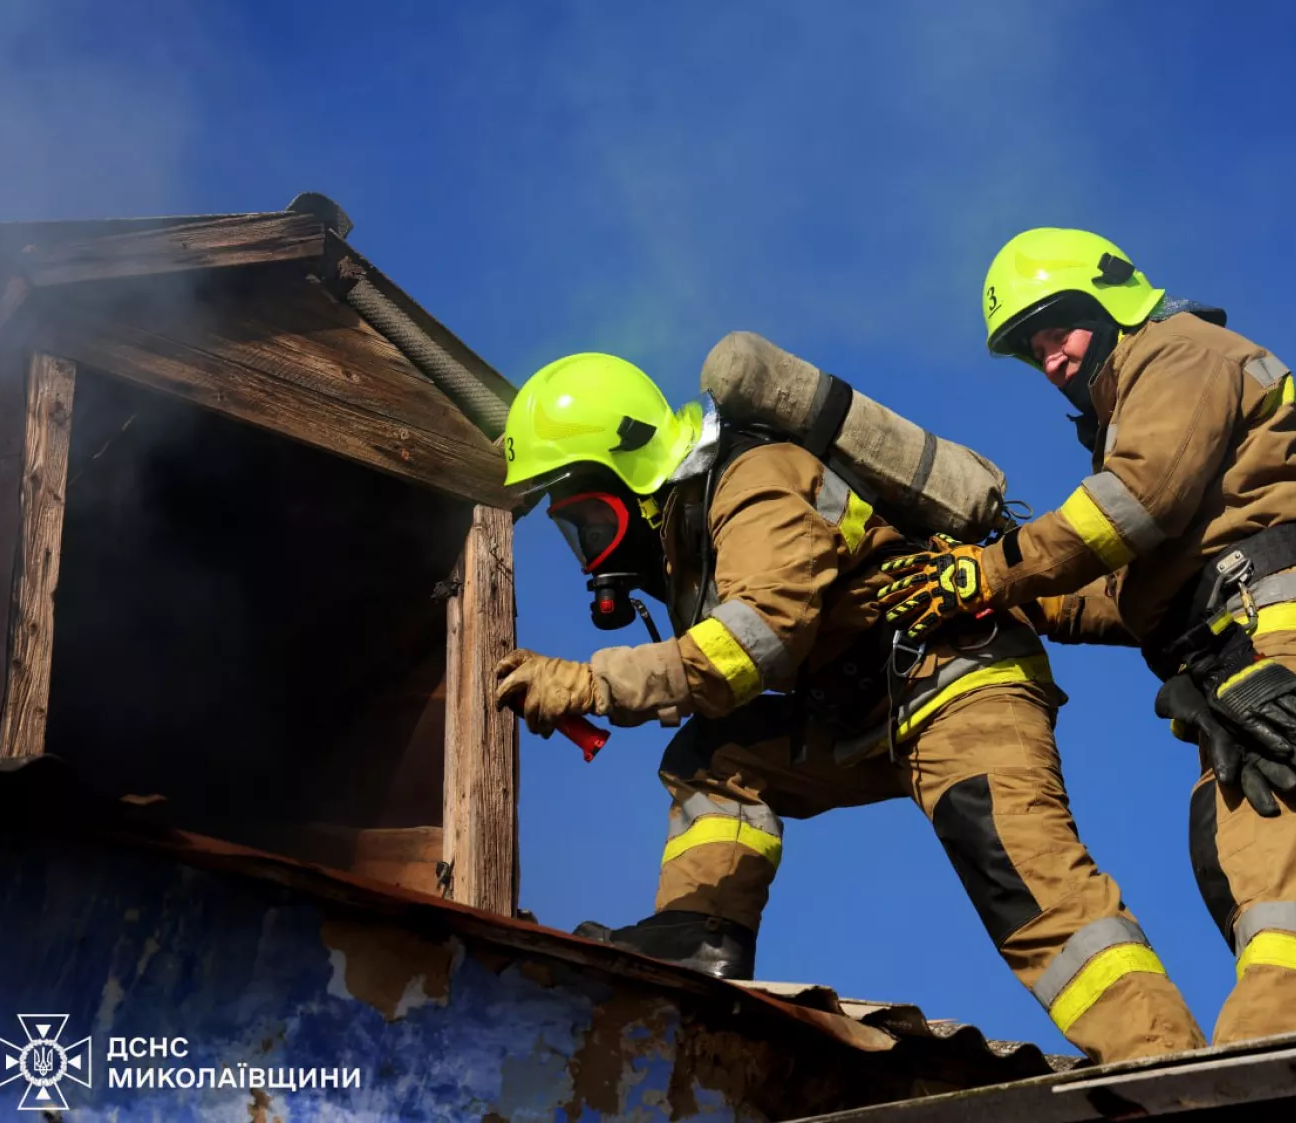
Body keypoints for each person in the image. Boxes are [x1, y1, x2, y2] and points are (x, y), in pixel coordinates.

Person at [492, 350, 1206, 1064]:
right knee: (715, 757)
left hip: (958, 683)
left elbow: (756, 643)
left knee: (1025, 887)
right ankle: (698, 937)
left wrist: (593, 684)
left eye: (588, 517)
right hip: (863, 714)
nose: (589, 550)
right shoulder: (688, 530)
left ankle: (1163, 1063)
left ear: (631, 468)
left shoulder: (751, 480)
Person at [876, 227, 1296, 1043]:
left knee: (1276, 888)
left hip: (1287, 634)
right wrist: (1017, 602)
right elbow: (1131, 598)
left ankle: (1261, 1082)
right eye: (1032, 350)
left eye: (1058, 328)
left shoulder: (1178, 351)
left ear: (1112, 297)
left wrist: (989, 571)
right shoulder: (1146, 396)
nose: (1050, 359)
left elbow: (1132, 502)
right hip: (1262, 638)